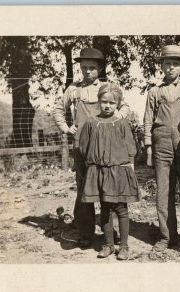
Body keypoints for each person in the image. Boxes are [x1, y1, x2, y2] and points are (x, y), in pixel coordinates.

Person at [53, 48, 130, 247]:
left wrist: (117, 119)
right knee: (85, 188)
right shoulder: (73, 89)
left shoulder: (107, 87)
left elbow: (125, 107)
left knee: (108, 188)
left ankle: (110, 236)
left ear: (100, 68)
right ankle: (86, 233)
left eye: (92, 68)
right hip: (82, 146)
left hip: (106, 147)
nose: (87, 71)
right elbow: (58, 109)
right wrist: (65, 127)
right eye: (84, 67)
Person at [143, 45, 180, 252]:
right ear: (161, 66)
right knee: (163, 193)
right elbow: (148, 121)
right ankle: (167, 236)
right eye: (167, 64)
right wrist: (149, 148)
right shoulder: (154, 92)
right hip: (161, 148)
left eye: (175, 64)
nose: (170, 68)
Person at [79, 83, 141, 260]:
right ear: (99, 101)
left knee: (121, 208)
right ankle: (108, 245)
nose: (107, 106)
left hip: (119, 172)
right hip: (100, 172)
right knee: (105, 208)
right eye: (104, 101)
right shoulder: (91, 123)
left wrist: (128, 168)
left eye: (112, 103)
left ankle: (124, 246)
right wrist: (95, 165)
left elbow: (130, 148)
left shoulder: (121, 123)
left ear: (118, 104)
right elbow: (84, 147)